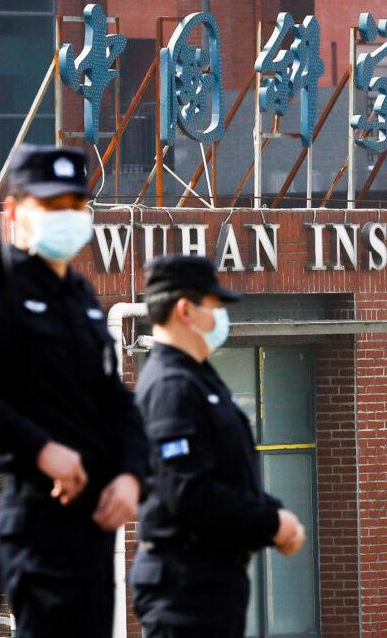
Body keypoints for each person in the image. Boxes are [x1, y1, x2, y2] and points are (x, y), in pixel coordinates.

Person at [0, 144, 148, 638]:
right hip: (38, 519)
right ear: (13, 211)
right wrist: (41, 450)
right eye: (51, 205)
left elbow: (115, 402)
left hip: (93, 524)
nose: (68, 216)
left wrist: (132, 475)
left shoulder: (81, 297)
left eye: (77, 204)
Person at [129, 254, 307, 638]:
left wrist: (273, 514)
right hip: (186, 584)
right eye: (214, 307)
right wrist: (271, 523)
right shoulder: (171, 386)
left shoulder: (198, 379)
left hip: (209, 582)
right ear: (185, 310)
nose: (221, 317)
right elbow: (187, 491)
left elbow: (229, 473)